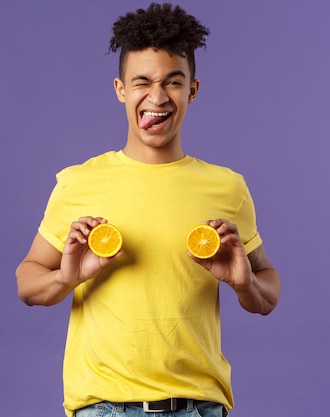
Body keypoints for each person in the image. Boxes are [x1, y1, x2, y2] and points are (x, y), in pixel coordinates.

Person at [16, 3, 281, 416]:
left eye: (173, 83)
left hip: (199, 409)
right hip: (103, 409)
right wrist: (68, 276)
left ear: (192, 90)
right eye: (142, 82)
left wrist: (244, 284)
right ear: (121, 89)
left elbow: (267, 291)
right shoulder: (78, 183)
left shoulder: (228, 188)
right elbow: (27, 282)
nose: (156, 98)